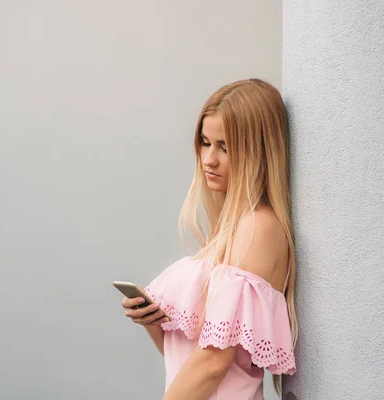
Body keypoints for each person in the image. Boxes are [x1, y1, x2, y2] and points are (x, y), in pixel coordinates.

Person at [120, 78, 297, 399]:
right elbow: (193, 359)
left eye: (225, 147)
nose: (209, 159)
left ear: (258, 151)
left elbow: (215, 362)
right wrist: (153, 322)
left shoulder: (259, 227)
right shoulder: (231, 229)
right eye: (205, 142)